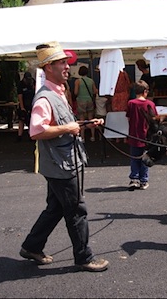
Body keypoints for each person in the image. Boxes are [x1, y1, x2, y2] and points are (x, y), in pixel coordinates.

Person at [19, 41, 108, 272]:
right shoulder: (45, 98)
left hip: (61, 162)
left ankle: (31, 246)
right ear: (48, 67)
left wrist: (85, 123)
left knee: (56, 208)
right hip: (62, 165)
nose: (67, 67)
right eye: (62, 63)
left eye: (66, 63)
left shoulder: (57, 92)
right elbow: (36, 131)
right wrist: (68, 129)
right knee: (77, 210)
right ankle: (84, 258)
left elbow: (61, 123)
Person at [126, 80, 157, 191]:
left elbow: (129, 118)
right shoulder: (150, 104)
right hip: (147, 136)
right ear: (145, 91)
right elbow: (154, 120)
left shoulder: (131, 103)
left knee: (134, 158)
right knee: (145, 158)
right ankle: (143, 180)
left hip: (134, 135)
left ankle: (134, 178)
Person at [74, 66, 98, 142]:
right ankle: (93, 136)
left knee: (82, 120)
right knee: (91, 119)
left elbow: (75, 92)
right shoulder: (91, 81)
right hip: (89, 100)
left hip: (81, 101)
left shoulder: (78, 81)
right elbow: (94, 91)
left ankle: (83, 137)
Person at [16, 71, 36, 142]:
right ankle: (19, 136)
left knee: (31, 120)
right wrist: (22, 107)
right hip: (24, 103)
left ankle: (31, 135)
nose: (28, 81)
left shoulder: (33, 82)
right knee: (21, 120)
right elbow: (20, 96)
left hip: (32, 103)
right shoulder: (21, 84)